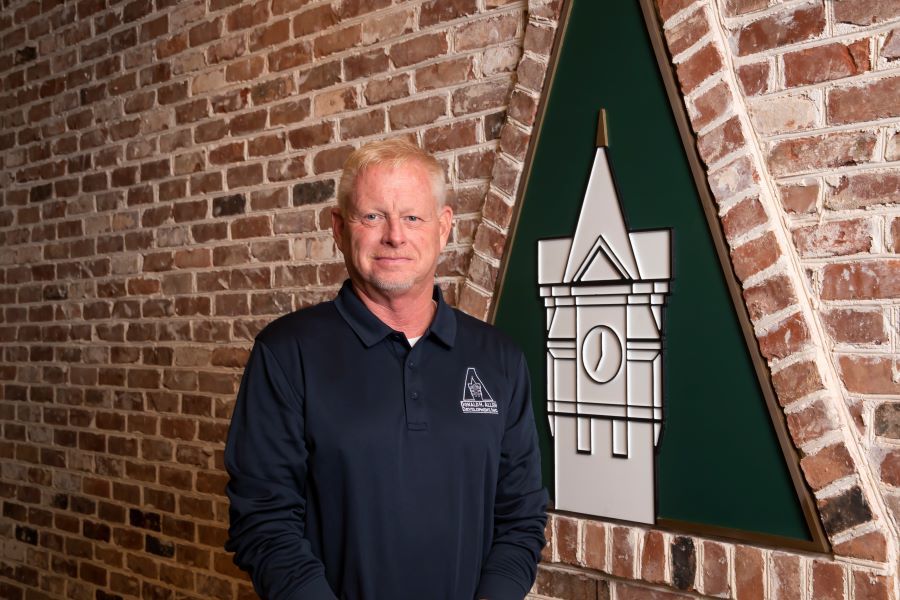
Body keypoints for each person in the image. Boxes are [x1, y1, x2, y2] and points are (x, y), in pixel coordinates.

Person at [224, 138, 548, 600]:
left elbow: (521, 515)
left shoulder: (499, 359)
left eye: (413, 217)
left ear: (444, 227)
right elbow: (263, 521)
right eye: (372, 216)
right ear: (339, 228)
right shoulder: (287, 353)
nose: (395, 235)